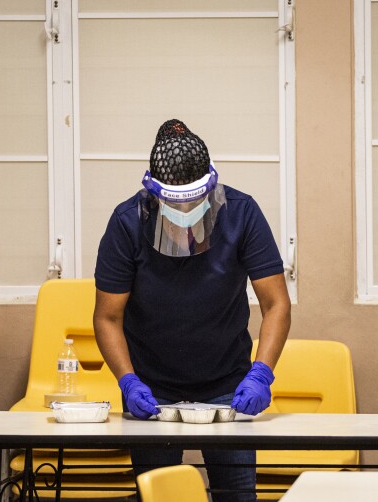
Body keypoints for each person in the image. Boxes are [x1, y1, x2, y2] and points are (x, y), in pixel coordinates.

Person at [93, 119, 291, 502]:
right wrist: (128, 381)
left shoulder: (241, 213)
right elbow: (107, 317)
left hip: (227, 384)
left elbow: (276, 303)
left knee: (234, 493)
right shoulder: (127, 223)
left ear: (210, 186)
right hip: (151, 388)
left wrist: (261, 373)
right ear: (153, 192)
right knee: (158, 493)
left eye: (193, 201)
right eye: (173, 203)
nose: (184, 210)